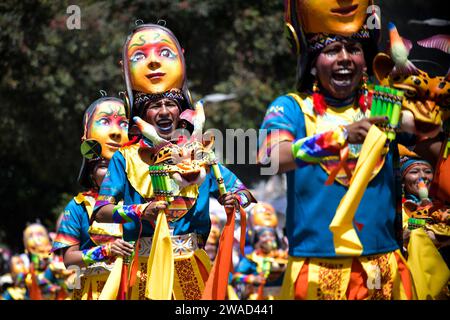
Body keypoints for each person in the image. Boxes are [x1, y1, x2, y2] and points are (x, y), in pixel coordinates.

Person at [258, 0, 416, 300]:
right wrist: (340, 136)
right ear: (313, 65)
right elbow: (270, 157)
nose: (345, 58)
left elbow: (423, 130)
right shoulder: (291, 108)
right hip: (317, 270)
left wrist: (423, 109)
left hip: (383, 267)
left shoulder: (384, 106)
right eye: (332, 51)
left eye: (353, 49)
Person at [93, 23, 255, 300]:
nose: (165, 111)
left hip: (192, 263)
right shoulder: (126, 158)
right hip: (144, 269)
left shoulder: (201, 155)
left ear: (182, 114)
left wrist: (235, 200)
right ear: (142, 118)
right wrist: (141, 211)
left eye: (171, 105)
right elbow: (101, 211)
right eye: (156, 106)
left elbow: (243, 192)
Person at [51, 96, 132, 300]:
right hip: (95, 292)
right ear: (90, 171)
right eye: (104, 167)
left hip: (136, 286)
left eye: (117, 168)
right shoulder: (77, 206)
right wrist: (106, 250)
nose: (111, 174)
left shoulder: (139, 198)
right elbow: (69, 259)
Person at [232, 227, 287, 300]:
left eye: (272, 235)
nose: (268, 238)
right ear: (257, 240)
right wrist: (252, 278)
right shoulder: (251, 258)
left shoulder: (283, 257)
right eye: (264, 236)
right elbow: (236, 277)